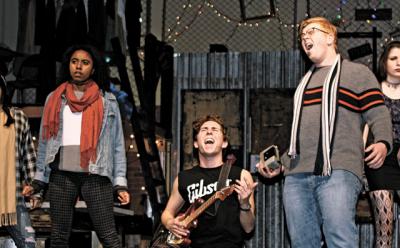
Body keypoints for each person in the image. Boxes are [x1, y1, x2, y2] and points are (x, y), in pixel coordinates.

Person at [257, 17, 393, 248]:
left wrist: (382, 142)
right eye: (302, 36)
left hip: (338, 169)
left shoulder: (357, 73)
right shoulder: (304, 84)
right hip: (296, 174)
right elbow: (294, 131)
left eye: (311, 31)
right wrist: (278, 163)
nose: (305, 38)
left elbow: (378, 114)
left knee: (339, 238)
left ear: (330, 37)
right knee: (301, 242)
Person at [23, 44, 130, 248]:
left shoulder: (108, 101)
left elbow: (117, 145)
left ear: (94, 68)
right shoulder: (54, 99)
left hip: (95, 175)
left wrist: (120, 183)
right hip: (62, 175)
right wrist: (39, 179)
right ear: (68, 66)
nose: (78, 67)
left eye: (85, 62)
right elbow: (45, 142)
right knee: (59, 238)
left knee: (108, 236)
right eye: (74, 62)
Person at [161, 115, 257, 248]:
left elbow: (248, 228)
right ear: (195, 143)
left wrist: (245, 204)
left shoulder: (241, 175)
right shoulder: (183, 178)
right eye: (204, 129)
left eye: (215, 129)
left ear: (224, 143)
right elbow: (167, 213)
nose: (209, 131)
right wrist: (170, 223)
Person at [364, 40, 400, 248]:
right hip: (380, 157)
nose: (398, 63)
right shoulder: (373, 90)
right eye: (394, 58)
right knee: (385, 227)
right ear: (384, 62)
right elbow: (364, 127)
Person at [0, 66, 37, 248]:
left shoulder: (17, 117)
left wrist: (33, 187)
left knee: (28, 242)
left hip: (12, 197)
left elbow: (28, 155)